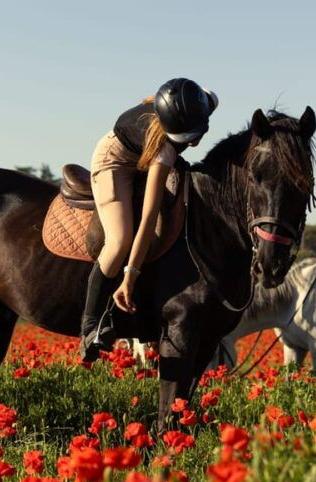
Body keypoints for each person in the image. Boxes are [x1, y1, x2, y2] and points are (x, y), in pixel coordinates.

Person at [80, 78, 219, 362]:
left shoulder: (202, 101)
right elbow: (148, 218)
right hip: (116, 161)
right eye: (188, 138)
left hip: (144, 153)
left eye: (198, 133)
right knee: (119, 240)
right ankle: (90, 325)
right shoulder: (163, 150)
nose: (195, 142)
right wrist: (130, 276)